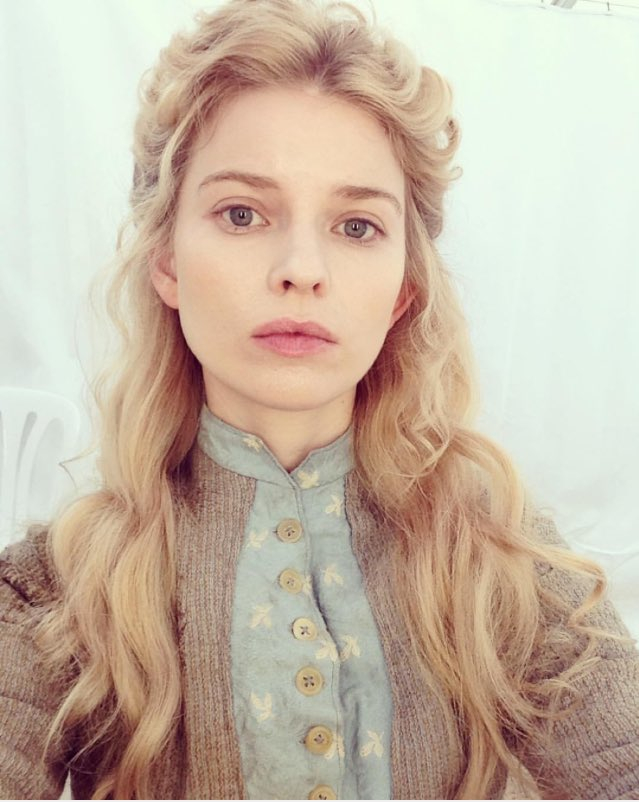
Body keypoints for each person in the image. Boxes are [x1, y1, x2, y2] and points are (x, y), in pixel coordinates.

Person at [1, 0, 637, 799]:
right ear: (166, 261)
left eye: (356, 226)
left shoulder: (495, 558)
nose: (301, 269)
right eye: (241, 213)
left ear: (402, 290)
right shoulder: (58, 587)